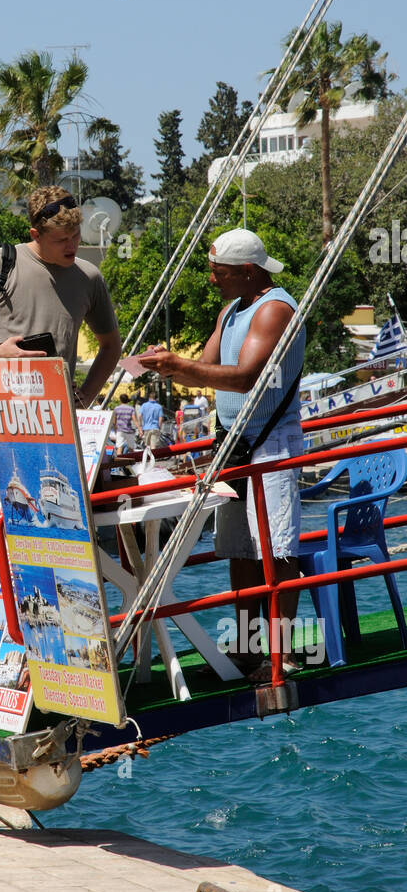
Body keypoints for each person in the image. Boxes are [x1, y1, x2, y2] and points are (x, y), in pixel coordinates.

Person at [140, 228, 306, 682]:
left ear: (247, 272)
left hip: (270, 442)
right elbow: (206, 374)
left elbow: (243, 377)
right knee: (239, 549)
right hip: (233, 441)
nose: (211, 280)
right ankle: (249, 650)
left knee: (277, 549)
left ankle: (282, 650)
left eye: (219, 273)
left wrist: (179, 365)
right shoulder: (231, 309)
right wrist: (168, 364)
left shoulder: (274, 310)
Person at [0, 186, 122, 591]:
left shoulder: (89, 278)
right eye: (62, 239)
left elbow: (112, 347)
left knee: (56, 532)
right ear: (35, 233)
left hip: (58, 420)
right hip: (1, 414)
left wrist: (83, 397)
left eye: (77, 236)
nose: (73, 245)